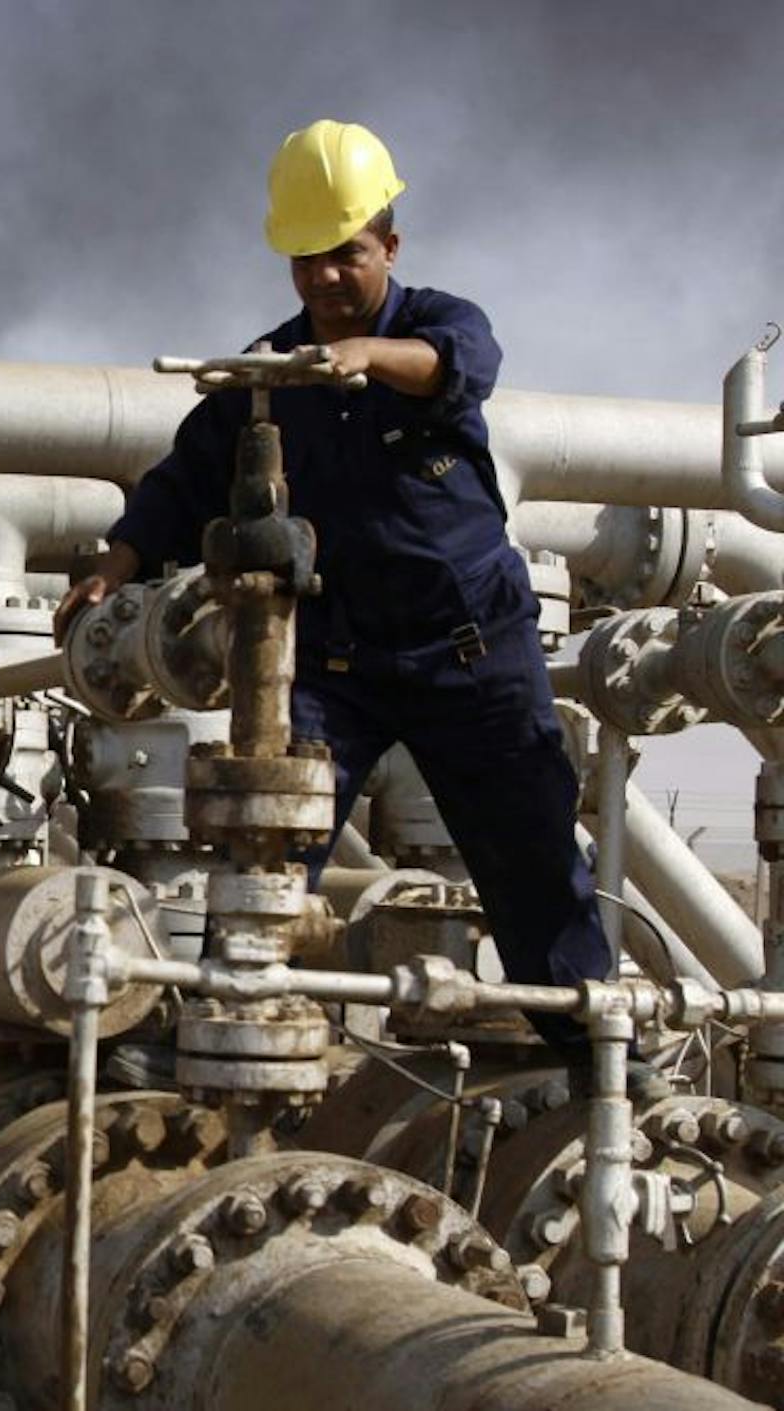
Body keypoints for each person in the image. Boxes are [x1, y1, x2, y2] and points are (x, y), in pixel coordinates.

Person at [58, 119, 661, 1099]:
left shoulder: (438, 326)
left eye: (346, 254)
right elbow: (186, 480)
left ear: (389, 243)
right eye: (307, 260)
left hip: (472, 657)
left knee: (532, 858)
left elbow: (462, 364)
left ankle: (602, 1070)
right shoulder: (272, 373)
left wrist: (373, 355)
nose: (326, 279)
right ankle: (214, 1030)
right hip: (339, 664)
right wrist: (115, 564)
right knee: (268, 838)